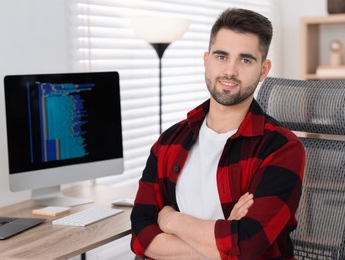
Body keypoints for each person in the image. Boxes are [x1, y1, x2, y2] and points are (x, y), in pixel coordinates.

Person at [130, 7, 305, 260]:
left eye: (245, 60)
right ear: (207, 60)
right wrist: (223, 242)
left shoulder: (281, 148)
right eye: (221, 56)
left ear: (264, 70)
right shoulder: (169, 142)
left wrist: (170, 220)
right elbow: (141, 236)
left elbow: (247, 246)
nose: (230, 71)